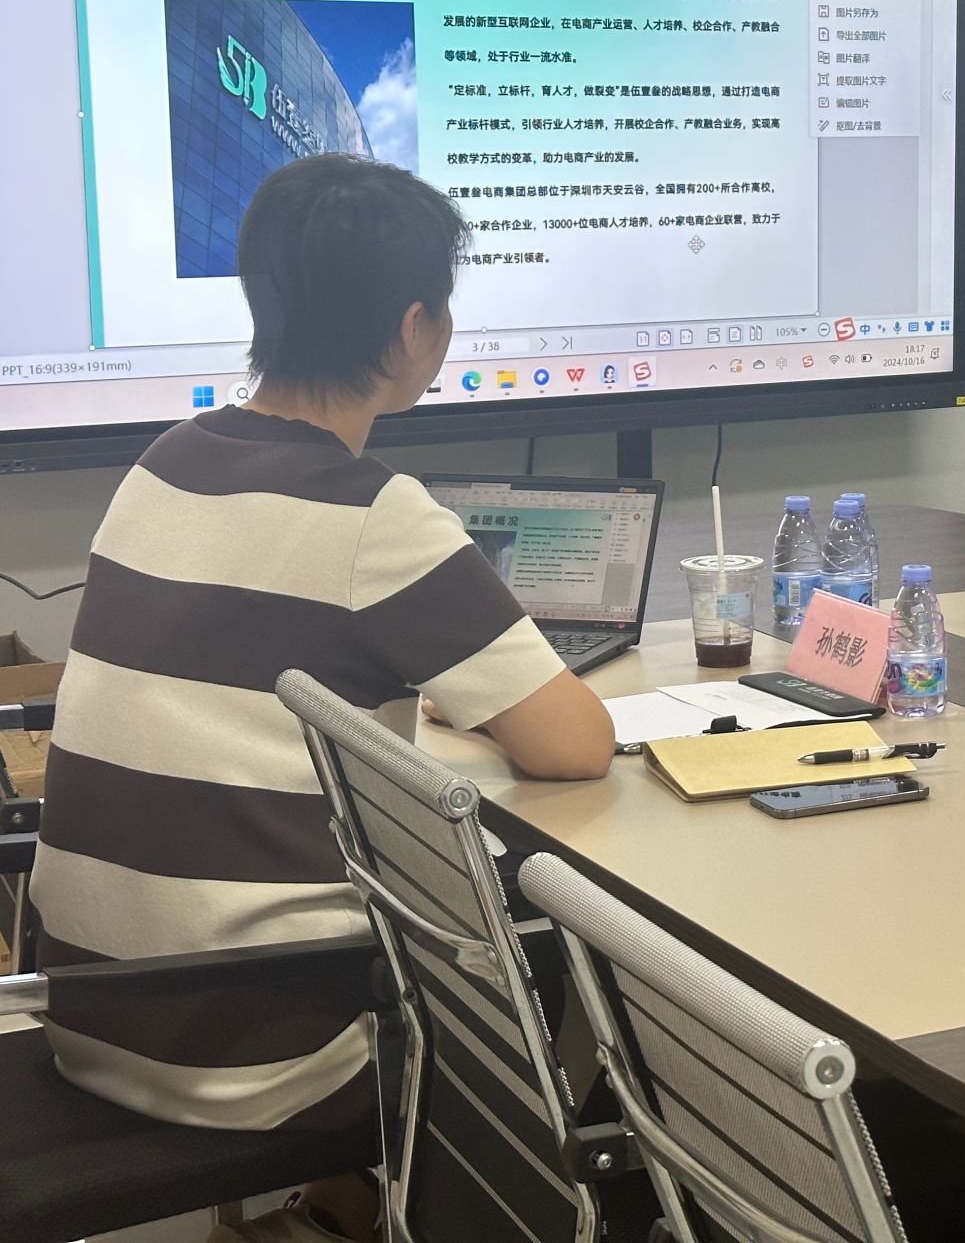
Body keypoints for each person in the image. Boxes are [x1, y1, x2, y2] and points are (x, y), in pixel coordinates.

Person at [30, 155, 613, 1233]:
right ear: (413, 329)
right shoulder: (374, 515)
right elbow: (576, 745)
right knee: (557, 947)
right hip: (257, 1055)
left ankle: (337, 1209)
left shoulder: (163, 462)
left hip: (89, 1013)